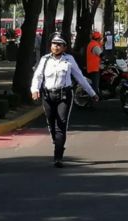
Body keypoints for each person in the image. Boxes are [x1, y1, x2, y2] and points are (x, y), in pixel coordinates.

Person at [31, 33, 98, 168]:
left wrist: (92, 93)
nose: (56, 46)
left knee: (61, 124)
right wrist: (35, 89)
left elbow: (80, 77)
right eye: (54, 44)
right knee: (51, 122)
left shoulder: (69, 60)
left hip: (64, 96)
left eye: (59, 44)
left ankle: (58, 156)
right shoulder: (45, 59)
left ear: (64, 47)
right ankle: (57, 142)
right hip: (48, 95)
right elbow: (38, 76)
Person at [85, 31, 103, 100]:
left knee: (94, 84)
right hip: (94, 68)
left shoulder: (91, 43)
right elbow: (101, 54)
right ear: (98, 38)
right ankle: (94, 99)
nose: (101, 39)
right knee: (95, 86)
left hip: (90, 67)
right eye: (100, 38)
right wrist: (105, 58)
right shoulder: (95, 46)